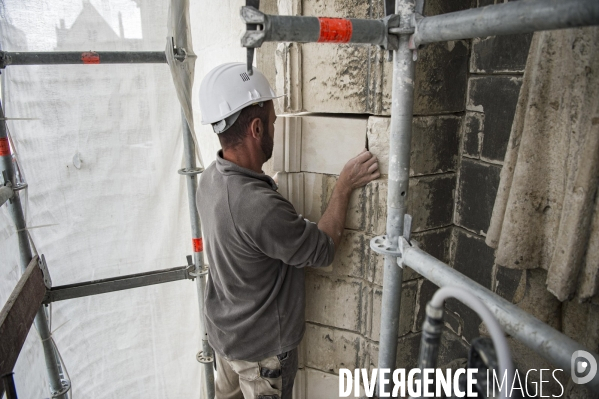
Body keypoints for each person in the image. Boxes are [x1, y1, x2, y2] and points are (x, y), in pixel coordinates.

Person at [197, 62, 380, 399]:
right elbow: (323, 249)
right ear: (256, 129)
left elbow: (247, 227)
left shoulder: (210, 179)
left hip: (225, 340)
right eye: (272, 123)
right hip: (261, 356)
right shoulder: (258, 207)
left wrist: (268, 192)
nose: (275, 130)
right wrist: (344, 186)